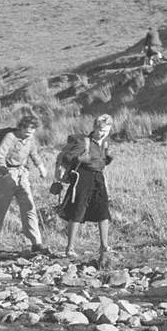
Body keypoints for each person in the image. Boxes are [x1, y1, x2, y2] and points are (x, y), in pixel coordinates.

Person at [0, 112, 51, 256]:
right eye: (27, 130)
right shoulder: (10, 137)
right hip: (6, 174)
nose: (29, 134)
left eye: (32, 131)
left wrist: (41, 167)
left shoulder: (30, 139)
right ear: (21, 127)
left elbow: (34, 154)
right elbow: (0, 157)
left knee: (29, 208)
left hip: (22, 174)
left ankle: (36, 242)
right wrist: (5, 173)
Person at [56, 113, 114, 264]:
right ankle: (69, 249)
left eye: (106, 130)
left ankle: (104, 246)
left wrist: (108, 158)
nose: (103, 133)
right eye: (101, 130)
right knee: (77, 210)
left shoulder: (105, 142)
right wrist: (79, 159)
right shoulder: (84, 142)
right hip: (83, 178)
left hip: (98, 177)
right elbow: (67, 158)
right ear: (95, 128)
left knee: (103, 210)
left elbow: (102, 163)